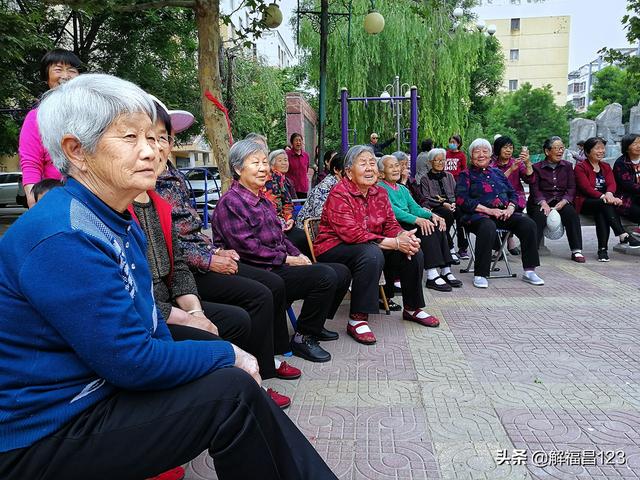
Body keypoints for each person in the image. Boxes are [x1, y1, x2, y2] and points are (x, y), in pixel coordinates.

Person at [0, 73, 337, 480]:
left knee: (231, 384)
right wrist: (228, 353)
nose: (152, 152)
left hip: (96, 389)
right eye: (130, 138)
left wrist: (196, 333)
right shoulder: (63, 235)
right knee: (233, 393)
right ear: (77, 151)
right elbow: (133, 361)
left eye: (155, 138)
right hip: (46, 430)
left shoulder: (115, 217)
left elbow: (147, 320)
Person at [154, 115, 298, 408]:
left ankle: (269, 358)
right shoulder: (140, 191)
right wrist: (210, 260)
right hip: (186, 277)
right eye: (147, 138)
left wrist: (214, 252)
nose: (157, 147)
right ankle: (257, 370)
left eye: (164, 138)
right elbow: (172, 251)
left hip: (195, 266)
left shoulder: (173, 176)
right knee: (260, 294)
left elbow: (188, 232)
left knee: (270, 285)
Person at [211, 140, 351, 363]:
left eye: (265, 162)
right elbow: (247, 249)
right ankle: (303, 338)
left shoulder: (263, 201)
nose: (263, 168)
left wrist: (298, 254)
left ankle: (313, 324)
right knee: (325, 277)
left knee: (342, 272)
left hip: (277, 263)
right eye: (255, 162)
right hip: (259, 270)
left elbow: (281, 237)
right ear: (238, 169)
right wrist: (288, 259)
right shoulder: (231, 203)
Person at [314, 145, 437, 346]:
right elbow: (351, 233)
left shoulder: (379, 193)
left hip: (370, 245)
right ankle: (357, 318)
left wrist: (403, 236)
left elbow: (390, 223)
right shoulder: (339, 193)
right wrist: (394, 242)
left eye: (372, 163)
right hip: (334, 247)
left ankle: (413, 308)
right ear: (348, 172)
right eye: (363, 163)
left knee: (413, 250)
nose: (370, 168)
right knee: (371, 253)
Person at [455, 138, 543, 289]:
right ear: (471, 155)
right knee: (487, 226)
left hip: (503, 214)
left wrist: (510, 208)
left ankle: (529, 271)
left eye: (485, 151)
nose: (481, 155)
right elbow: (462, 200)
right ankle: (481, 274)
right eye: (477, 152)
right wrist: (489, 210)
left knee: (528, 224)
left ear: (490, 155)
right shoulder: (466, 175)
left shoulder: (497, 173)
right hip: (478, 216)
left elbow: (512, 193)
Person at [378, 155, 462, 292]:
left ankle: (446, 269)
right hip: (395, 224)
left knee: (437, 222)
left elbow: (415, 207)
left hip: (408, 221)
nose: (396, 169)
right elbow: (393, 210)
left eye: (397, 166)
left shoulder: (402, 188)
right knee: (425, 228)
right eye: (391, 166)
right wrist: (417, 220)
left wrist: (432, 215)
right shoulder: (380, 188)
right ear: (381, 173)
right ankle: (432, 275)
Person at [19, 49, 81, 208]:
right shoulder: (36, 117)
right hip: (54, 199)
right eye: (58, 69)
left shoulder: (91, 114)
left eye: (72, 70)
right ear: (47, 77)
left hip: (92, 197)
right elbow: (31, 163)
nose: (66, 75)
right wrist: (35, 205)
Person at [575, 137, 640, 261]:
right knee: (604, 204)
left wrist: (609, 194)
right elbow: (586, 188)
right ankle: (622, 234)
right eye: (597, 148)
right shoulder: (580, 167)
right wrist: (605, 197)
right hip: (584, 202)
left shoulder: (605, 166)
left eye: (602, 148)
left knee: (602, 210)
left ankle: (603, 251)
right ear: (588, 152)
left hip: (603, 202)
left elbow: (612, 184)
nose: (601, 151)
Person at [528, 136, 585, 262]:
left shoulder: (568, 166)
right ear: (547, 151)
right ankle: (532, 250)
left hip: (561, 200)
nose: (560, 151)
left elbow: (571, 187)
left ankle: (576, 250)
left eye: (562, 148)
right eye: (556, 148)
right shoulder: (536, 167)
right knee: (539, 215)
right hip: (542, 200)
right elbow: (535, 188)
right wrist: (543, 202)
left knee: (571, 214)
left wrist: (564, 201)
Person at [415, 148, 464, 262]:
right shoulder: (425, 178)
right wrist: (443, 203)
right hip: (436, 206)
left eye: (443, 160)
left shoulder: (450, 176)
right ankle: (450, 247)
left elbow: (457, 193)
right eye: (437, 160)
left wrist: (454, 203)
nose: (440, 163)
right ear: (430, 162)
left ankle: (462, 247)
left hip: (452, 204)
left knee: (462, 213)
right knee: (446, 214)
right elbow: (426, 197)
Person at [491, 136, 536, 255]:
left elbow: (530, 179)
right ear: (497, 149)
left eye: (510, 147)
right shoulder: (492, 166)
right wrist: (511, 170)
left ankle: (498, 249)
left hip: (516, 198)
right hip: (498, 199)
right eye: (505, 147)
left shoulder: (517, 163)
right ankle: (508, 242)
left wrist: (527, 163)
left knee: (507, 212)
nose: (508, 150)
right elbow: (495, 184)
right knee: (497, 211)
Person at [264, 149, 309, 254]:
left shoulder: (284, 179)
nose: (284, 163)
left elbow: (287, 203)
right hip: (273, 225)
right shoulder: (271, 178)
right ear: (271, 164)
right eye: (280, 160)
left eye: (286, 160)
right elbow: (272, 206)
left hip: (283, 223)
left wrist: (289, 218)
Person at [295, 153, 344, 229]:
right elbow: (319, 216)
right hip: (308, 229)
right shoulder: (326, 186)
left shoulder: (341, 184)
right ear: (336, 170)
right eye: (347, 169)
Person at [613, 133, 640, 225]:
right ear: (627, 147)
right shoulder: (621, 163)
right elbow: (627, 184)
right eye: (635, 144)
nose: (638, 146)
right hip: (627, 197)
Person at [285, 132, 311, 198]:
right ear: (292, 143)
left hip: (303, 187)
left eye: (300, 140)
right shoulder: (287, 155)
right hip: (291, 188)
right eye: (296, 140)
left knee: (302, 207)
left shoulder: (306, 155)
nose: (298, 142)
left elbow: (306, 170)